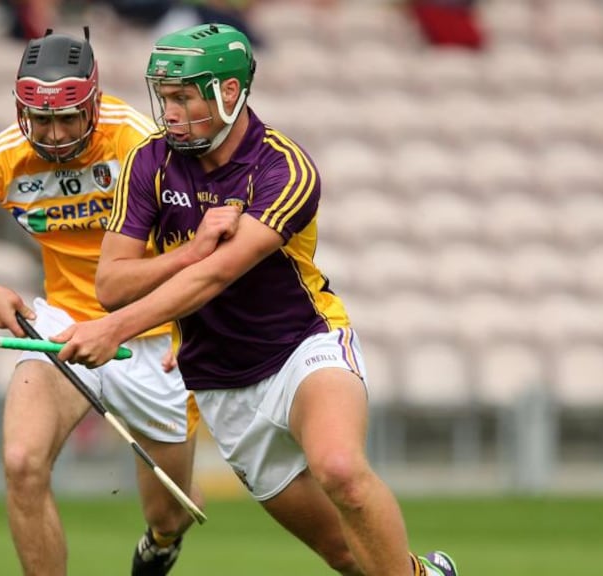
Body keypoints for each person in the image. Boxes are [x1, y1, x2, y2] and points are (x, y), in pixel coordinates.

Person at [51, 23, 459, 576]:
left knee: (340, 469)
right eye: (164, 98)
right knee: (345, 555)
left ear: (229, 92)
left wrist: (114, 330)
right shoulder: (149, 164)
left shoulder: (283, 168)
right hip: (220, 385)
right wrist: (190, 249)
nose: (169, 113)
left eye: (183, 98)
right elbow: (111, 285)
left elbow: (217, 276)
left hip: (302, 350)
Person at [0, 29, 201, 576]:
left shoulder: (142, 144)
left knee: (168, 513)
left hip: (153, 335)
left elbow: (202, 246)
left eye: (68, 119)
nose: (53, 135)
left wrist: (194, 324)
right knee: (21, 462)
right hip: (63, 327)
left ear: (93, 105)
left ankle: (162, 540)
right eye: (40, 119)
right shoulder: (5, 156)